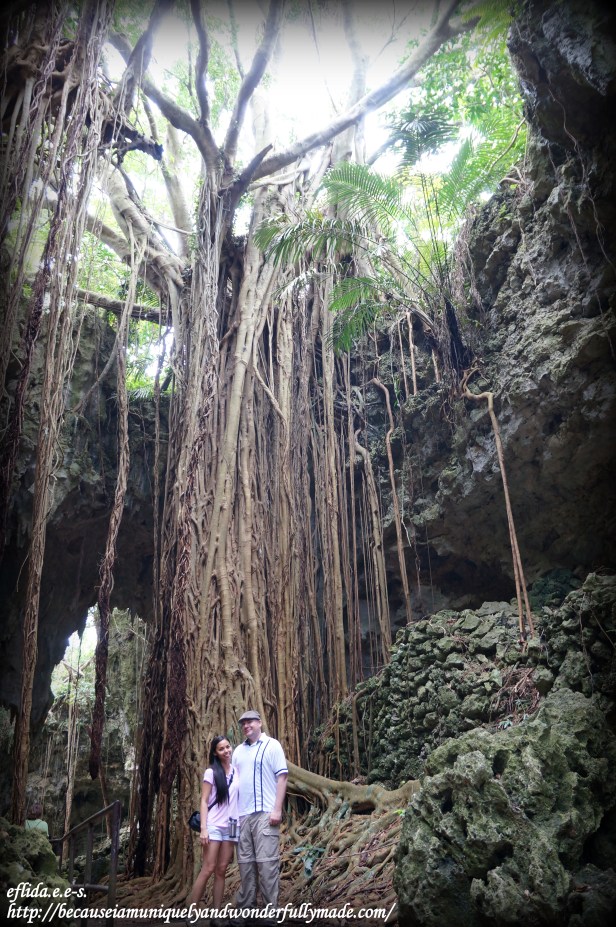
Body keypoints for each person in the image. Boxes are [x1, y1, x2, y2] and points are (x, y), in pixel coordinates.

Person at [233, 710, 288, 912]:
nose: (246, 726)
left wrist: (277, 810)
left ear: (259, 723)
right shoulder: (237, 751)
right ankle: (246, 909)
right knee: (245, 864)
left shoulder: (272, 745)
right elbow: (233, 785)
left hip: (266, 813)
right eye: (243, 723)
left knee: (267, 864)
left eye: (250, 722)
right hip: (242, 816)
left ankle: (270, 911)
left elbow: (282, 778)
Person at [188, 736, 239, 909]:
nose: (226, 751)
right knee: (208, 868)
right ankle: (191, 910)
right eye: (221, 749)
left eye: (228, 747)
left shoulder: (236, 771)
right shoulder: (211, 772)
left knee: (222, 869)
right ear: (215, 753)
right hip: (214, 826)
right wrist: (204, 828)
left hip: (232, 826)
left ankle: (216, 912)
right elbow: (203, 800)